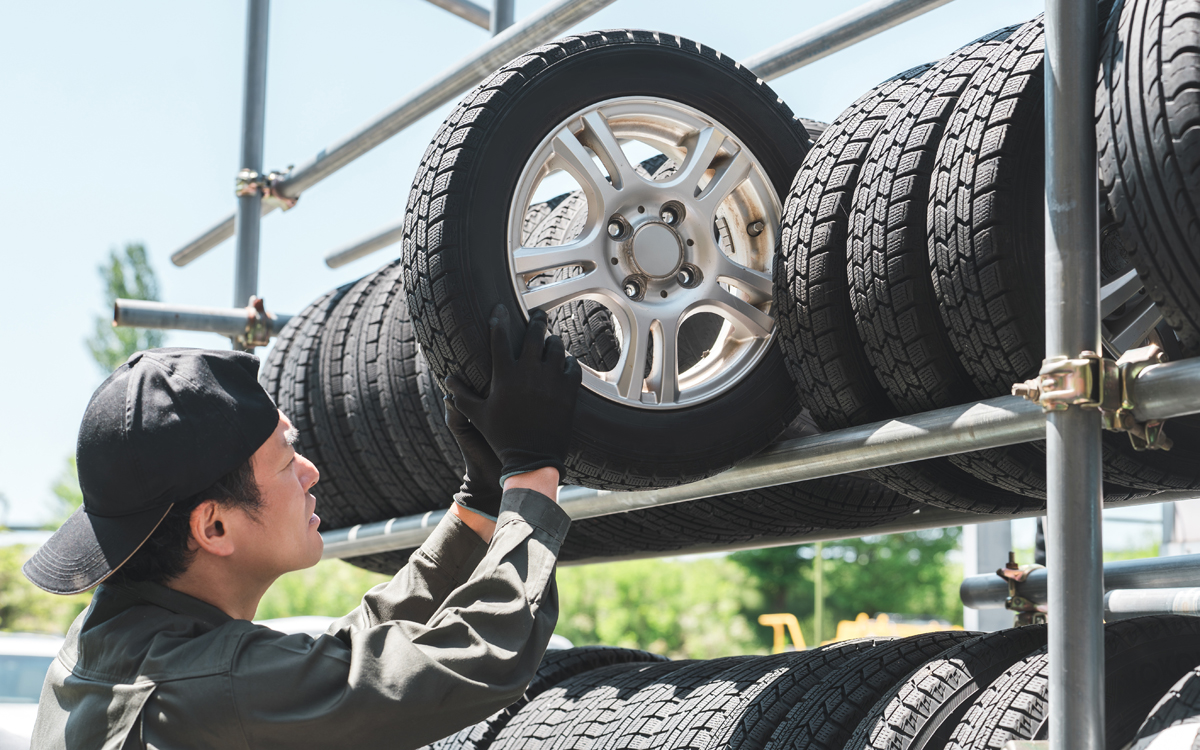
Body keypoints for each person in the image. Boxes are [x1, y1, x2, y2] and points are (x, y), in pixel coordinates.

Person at [24, 304, 582, 749]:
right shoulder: (202, 689)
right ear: (213, 528)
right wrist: (530, 474)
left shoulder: (105, 642)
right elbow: (471, 660)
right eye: (288, 461)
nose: (311, 471)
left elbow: (336, 663)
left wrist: (479, 505)